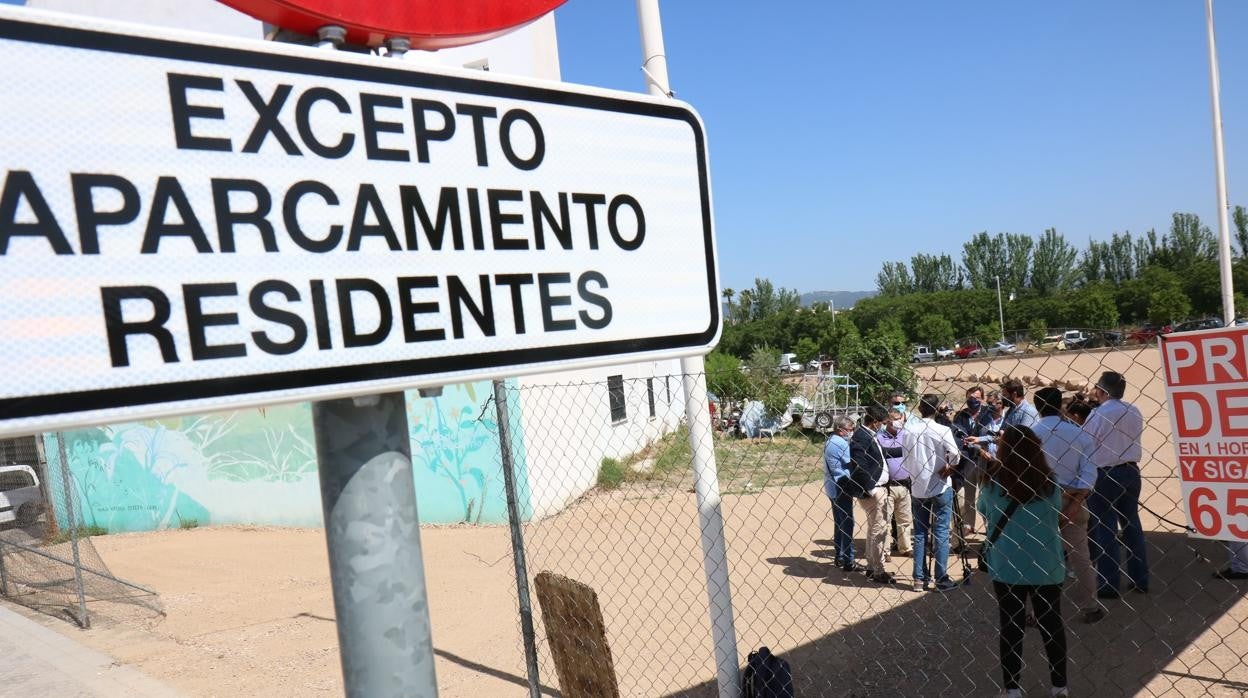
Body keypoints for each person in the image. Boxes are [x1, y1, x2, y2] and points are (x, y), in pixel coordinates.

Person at [976, 425, 1069, 698]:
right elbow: (1057, 513)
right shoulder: (1050, 483)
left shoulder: (993, 483)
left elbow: (983, 510)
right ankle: (1059, 686)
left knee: (1011, 626)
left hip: (1007, 564)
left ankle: (1013, 688)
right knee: (1051, 624)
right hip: (1046, 562)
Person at [1030, 387, 1102, 624]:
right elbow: (1090, 471)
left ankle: (1037, 611)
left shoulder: (1030, 434)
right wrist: (1076, 500)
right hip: (1073, 499)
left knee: (1038, 556)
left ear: (1038, 407)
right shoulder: (1078, 433)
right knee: (1081, 556)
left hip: (1040, 500)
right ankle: (1090, 606)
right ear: (1060, 404)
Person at [1084, 370, 1148, 598]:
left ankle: (1109, 583)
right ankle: (1140, 578)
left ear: (1101, 391)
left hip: (1105, 473)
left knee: (1105, 528)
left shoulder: (1099, 414)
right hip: (1131, 470)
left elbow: (1087, 442)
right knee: (1132, 524)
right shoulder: (1134, 410)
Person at [903, 394, 962, 592]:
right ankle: (941, 578)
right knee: (941, 532)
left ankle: (919, 579)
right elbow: (955, 454)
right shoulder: (942, 429)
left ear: (920, 409)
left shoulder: (908, 430)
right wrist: (949, 468)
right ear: (937, 410)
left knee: (920, 533)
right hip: (940, 485)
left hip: (918, 487)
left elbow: (905, 458)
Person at [849, 405, 902, 584]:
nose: (883, 426)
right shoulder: (861, 437)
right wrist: (872, 489)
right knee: (879, 530)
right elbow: (859, 464)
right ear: (874, 423)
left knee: (874, 529)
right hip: (874, 490)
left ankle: (872, 567)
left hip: (877, 488)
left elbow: (878, 456)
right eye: (882, 423)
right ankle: (878, 570)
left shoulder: (868, 435)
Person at [823, 415, 858, 571]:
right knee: (847, 522)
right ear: (841, 430)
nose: (852, 432)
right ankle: (848, 559)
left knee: (840, 522)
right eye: (850, 430)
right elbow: (852, 460)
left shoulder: (830, 440)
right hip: (841, 486)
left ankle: (840, 555)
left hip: (833, 486)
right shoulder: (840, 443)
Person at [952, 386, 987, 541]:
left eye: (977, 397)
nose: (973, 400)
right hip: (968, 460)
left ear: (982, 399)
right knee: (968, 495)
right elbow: (958, 435)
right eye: (970, 397)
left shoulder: (988, 413)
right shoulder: (961, 415)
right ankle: (969, 525)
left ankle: (989, 525)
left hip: (986, 460)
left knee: (986, 495)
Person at [879, 408, 913, 557]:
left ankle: (905, 547)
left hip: (905, 484)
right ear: (887, 421)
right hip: (887, 486)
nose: (898, 423)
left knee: (905, 519)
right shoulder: (879, 437)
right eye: (894, 420)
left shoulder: (907, 435)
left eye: (900, 420)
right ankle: (885, 550)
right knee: (885, 520)